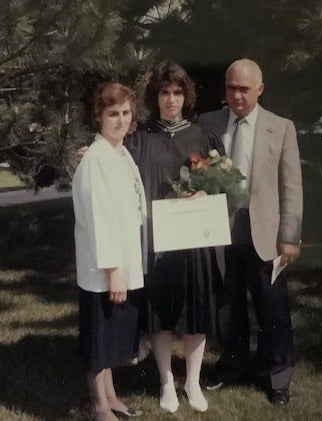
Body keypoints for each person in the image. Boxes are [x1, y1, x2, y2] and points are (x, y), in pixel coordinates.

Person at [199, 58, 302, 404]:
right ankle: (231, 365)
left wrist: (290, 236)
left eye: (245, 89)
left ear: (260, 89)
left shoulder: (281, 127)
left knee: (271, 306)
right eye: (231, 88)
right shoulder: (209, 123)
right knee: (228, 304)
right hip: (222, 228)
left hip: (267, 232)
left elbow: (291, 187)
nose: (238, 95)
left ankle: (276, 377)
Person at [127, 61, 220, 414]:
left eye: (177, 92)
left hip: (195, 241)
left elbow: (222, 182)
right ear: (156, 97)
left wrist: (205, 194)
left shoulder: (203, 136)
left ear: (186, 96)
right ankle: (166, 380)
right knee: (160, 314)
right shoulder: (140, 139)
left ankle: (192, 381)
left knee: (196, 312)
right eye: (164, 93)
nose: (171, 100)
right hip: (157, 242)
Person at [72, 82, 146, 421]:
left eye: (125, 113)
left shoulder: (120, 153)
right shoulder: (98, 159)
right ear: (98, 116)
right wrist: (113, 269)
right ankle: (99, 404)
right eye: (112, 113)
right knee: (99, 341)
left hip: (121, 262)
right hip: (103, 269)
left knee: (111, 337)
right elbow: (100, 219)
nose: (119, 120)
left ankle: (112, 396)